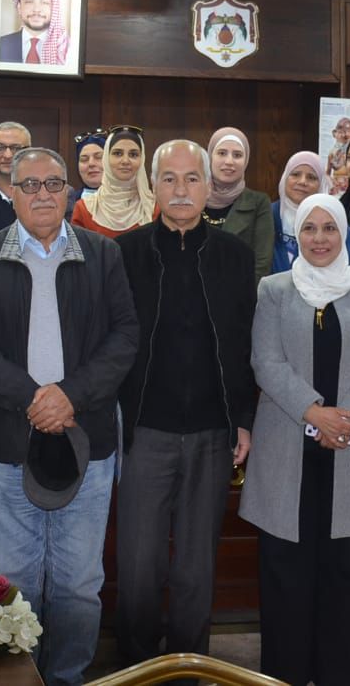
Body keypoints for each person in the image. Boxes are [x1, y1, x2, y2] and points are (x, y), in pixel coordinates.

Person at [0, 146, 139, 686]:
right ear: (11, 193)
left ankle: (65, 677)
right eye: (30, 185)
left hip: (87, 442)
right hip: (8, 444)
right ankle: (16, 679)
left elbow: (125, 336)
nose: (42, 194)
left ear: (68, 192)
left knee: (78, 583)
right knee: (10, 582)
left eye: (53, 184)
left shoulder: (102, 254)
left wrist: (70, 397)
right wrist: (34, 399)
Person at [243, 193, 350, 686]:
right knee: (285, 577)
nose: (319, 238)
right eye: (309, 228)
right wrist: (314, 414)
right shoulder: (274, 288)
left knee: (348, 578)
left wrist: (344, 422)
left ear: (343, 233)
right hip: (287, 452)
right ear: (296, 235)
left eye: (328, 227)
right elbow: (265, 362)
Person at [113, 140, 257, 666]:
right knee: (139, 565)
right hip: (144, 430)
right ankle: (136, 670)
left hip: (212, 433)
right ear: (153, 185)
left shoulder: (235, 256)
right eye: (169, 179)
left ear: (208, 186)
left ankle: (189, 669)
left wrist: (243, 419)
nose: (180, 189)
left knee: (196, 568)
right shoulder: (124, 253)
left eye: (191, 178)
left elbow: (244, 345)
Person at [203, 126, 273, 285]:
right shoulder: (194, 198)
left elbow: (261, 265)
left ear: (246, 161)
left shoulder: (259, 203)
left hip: (239, 295)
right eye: (222, 153)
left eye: (237, 155)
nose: (229, 161)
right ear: (210, 157)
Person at [272, 151, 350, 273]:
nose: (302, 182)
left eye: (311, 177)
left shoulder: (335, 220)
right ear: (285, 178)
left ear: (321, 184)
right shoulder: (266, 216)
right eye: (295, 174)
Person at [70, 125, 155, 238]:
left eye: (133, 154)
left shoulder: (155, 207)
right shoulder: (84, 208)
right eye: (117, 153)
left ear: (142, 159)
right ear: (107, 158)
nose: (125, 161)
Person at [0, 0, 70, 66]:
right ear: (19, 8)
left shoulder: (67, 48)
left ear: (54, 8)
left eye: (45, 2)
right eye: (29, 1)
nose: (36, 9)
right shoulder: (0, 45)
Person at [73, 129, 105, 205]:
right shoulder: (67, 204)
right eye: (84, 159)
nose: (91, 163)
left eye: (98, 157)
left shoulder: (129, 201)